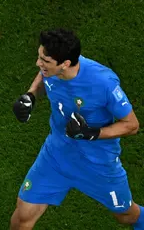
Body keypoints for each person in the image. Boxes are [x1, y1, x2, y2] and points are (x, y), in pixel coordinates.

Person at [11, 28, 142, 229]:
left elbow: (132, 125)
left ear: (65, 64)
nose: (39, 64)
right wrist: (31, 95)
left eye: (45, 61)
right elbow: (43, 77)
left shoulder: (104, 82)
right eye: (39, 57)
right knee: (22, 218)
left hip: (97, 164)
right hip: (56, 154)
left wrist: (92, 133)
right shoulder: (52, 70)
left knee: (127, 216)